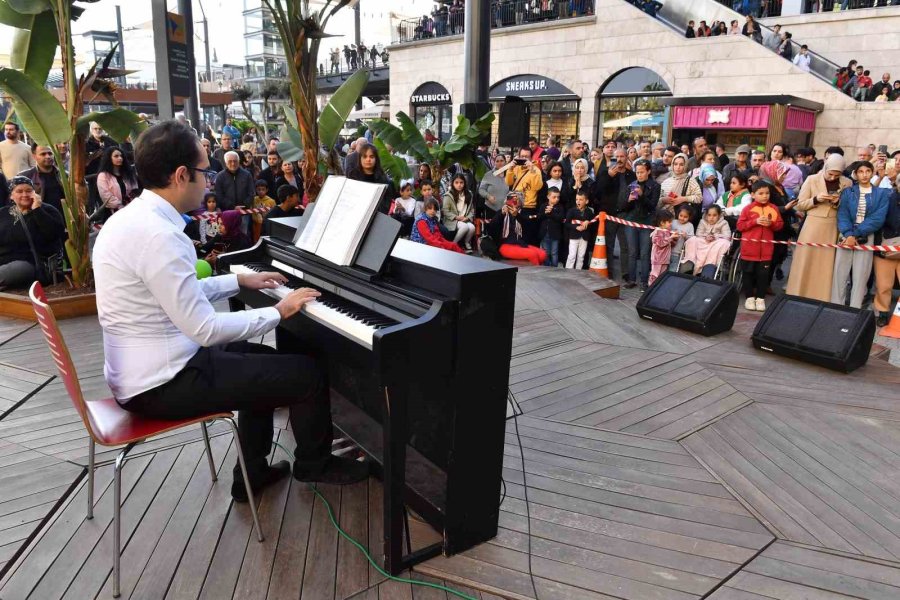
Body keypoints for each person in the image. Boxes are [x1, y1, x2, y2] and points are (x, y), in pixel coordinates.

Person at [92, 122, 369, 504]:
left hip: (147, 368)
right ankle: (314, 463)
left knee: (264, 364)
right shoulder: (160, 236)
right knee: (306, 374)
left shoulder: (131, 219)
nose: (210, 180)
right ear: (181, 175)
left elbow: (173, 295)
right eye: (207, 171)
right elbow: (205, 328)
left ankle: (251, 474)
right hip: (163, 382)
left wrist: (239, 283)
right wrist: (280, 310)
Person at [786, 154, 852, 302]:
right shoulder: (812, 179)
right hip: (812, 225)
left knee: (826, 264)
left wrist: (837, 202)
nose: (833, 177)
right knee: (805, 261)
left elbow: (848, 207)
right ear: (826, 167)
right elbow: (800, 204)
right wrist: (816, 199)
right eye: (830, 173)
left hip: (833, 227)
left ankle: (821, 296)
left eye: (837, 174)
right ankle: (798, 293)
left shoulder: (847, 182)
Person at [832, 161, 890, 308]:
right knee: (839, 274)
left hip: (866, 236)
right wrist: (848, 234)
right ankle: (835, 308)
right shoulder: (848, 191)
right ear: (856, 174)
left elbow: (877, 219)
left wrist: (856, 234)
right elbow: (842, 213)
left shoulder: (881, 193)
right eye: (861, 172)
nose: (864, 175)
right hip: (845, 235)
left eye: (867, 171)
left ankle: (855, 309)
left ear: (872, 173)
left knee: (861, 276)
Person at [0, 176, 66, 288]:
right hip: (4, 261)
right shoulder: (3, 213)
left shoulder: (48, 211)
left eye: (29, 191)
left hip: (31, 264)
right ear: (11, 195)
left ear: (35, 193)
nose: (24, 195)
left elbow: (53, 234)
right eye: (19, 191)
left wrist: (37, 210)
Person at [737, 181, 784, 311]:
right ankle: (749, 298)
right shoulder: (747, 209)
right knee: (748, 274)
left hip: (766, 251)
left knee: (763, 275)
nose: (765, 196)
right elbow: (740, 226)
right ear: (753, 194)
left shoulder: (773, 208)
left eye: (767, 193)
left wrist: (771, 224)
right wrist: (754, 221)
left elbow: (780, 225)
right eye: (761, 193)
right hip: (749, 249)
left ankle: (760, 299)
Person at [620, 160, 660, 290]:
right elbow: (623, 208)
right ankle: (631, 279)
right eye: (637, 172)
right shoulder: (632, 184)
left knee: (644, 253)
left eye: (642, 172)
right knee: (632, 252)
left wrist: (642, 196)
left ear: (648, 171)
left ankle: (644, 281)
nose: (639, 175)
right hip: (631, 221)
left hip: (647, 222)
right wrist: (628, 200)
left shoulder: (655, 186)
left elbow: (652, 206)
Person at [489, 193, 547, 265]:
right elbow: (492, 227)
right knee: (532, 254)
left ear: (520, 202)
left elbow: (529, 226)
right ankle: (537, 274)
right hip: (505, 245)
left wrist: (517, 216)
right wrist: (501, 214)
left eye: (516, 200)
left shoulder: (523, 213)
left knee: (542, 254)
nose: (513, 201)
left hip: (521, 243)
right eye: (511, 199)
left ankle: (535, 270)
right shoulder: (501, 212)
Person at [873, 182, 900, 326]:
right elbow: (876, 221)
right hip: (886, 247)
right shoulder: (886, 198)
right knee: (884, 285)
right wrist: (879, 246)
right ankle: (882, 313)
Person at [505, 149, 544, 244]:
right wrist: (510, 169)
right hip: (514, 204)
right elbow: (508, 182)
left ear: (531, 158)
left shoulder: (536, 170)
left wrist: (532, 170)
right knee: (514, 234)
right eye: (522, 156)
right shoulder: (516, 168)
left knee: (526, 234)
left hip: (528, 206)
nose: (524, 159)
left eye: (527, 157)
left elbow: (537, 186)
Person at [683, 205, 732, 278]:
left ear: (719, 216)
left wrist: (715, 236)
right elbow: (698, 233)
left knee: (724, 243)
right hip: (703, 241)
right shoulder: (702, 221)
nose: (711, 218)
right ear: (706, 215)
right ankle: (690, 262)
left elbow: (727, 236)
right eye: (709, 215)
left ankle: (709, 266)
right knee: (692, 240)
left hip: (716, 242)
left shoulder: (724, 223)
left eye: (714, 215)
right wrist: (706, 237)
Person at [345, 143, 395, 213]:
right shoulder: (353, 177)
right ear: (360, 158)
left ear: (376, 159)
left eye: (371, 157)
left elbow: (385, 207)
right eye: (365, 156)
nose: (368, 159)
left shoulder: (384, 181)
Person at [18, 145, 66, 214]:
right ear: (34, 156)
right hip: (39, 218)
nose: (48, 156)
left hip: (62, 219)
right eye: (43, 154)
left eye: (50, 153)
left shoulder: (64, 175)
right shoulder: (25, 177)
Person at [96, 146, 139, 213]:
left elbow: (135, 189)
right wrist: (121, 207)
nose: (120, 158)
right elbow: (106, 196)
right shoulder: (103, 176)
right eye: (116, 156)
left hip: (131, 208)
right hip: (113, 211)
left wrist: (131, 205)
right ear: (109, 158)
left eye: (121, 156)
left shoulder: (128, 172)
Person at [442, 173, 476, 252]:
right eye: (456, 182)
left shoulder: (469, 194)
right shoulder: (448, 195)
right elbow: (445, 211)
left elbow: (471, 210)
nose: (459, 185)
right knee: (464, 227)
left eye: (461, 182)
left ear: (464, 183)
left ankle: (466, 243)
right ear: (453, 183)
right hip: (453, 220)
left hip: (464, 219)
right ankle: (453, 244)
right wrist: (457, 217)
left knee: (472, 227)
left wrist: (467, 218)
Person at [565, 189, 594, 269]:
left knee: (581, 256)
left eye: (581, 199)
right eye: (577, 199)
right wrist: (576, 227)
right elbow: (567, 223)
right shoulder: (571, 211)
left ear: (586, 201)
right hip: (574, 236)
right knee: (572, 256)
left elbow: (593, 222)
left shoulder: (589, 212)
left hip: (584, 237)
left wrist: (588, 221)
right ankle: (568, 272)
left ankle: (578, 273)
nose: (578, 201)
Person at [538, 186, 565, 267]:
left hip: (555, 234)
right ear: (548, 197)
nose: (556, 199)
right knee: (546, 252)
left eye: (558, 197)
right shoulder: (543, 206)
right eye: (554, 197)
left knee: (554, 252)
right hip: (545, 233)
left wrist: (552, 212)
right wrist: (545, 213)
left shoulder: (560, 207)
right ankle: (547, 266)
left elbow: (560, 218)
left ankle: (554, 268)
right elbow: (539, 217)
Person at [648, 210, 675, 286]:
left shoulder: (667, 231)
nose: (671, 224)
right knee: (654, 276)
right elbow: (660, 243)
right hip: (657, 259)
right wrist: (671, 238)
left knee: (661, 277)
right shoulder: (657, 231)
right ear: (662, 222)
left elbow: (668, 244)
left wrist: (674, 238)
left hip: (664, 259)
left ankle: (657, 290)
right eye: (669, 222)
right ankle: (650, 290)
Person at [670, 205, 694, 271]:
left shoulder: (690, 226)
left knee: (673, 269)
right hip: (667, 250)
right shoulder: (673, 222)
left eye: (685, 217)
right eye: (681, 215)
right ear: (678, 214)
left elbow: (692, 239)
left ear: (689, 217)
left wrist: (686, 236)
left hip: (678, 253)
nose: (682, 218)